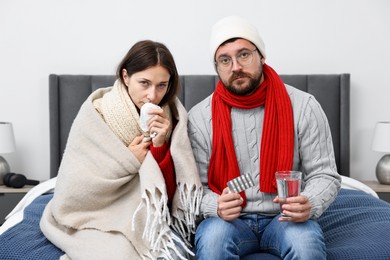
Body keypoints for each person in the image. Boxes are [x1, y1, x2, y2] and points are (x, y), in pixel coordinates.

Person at [187, 16, 341, 259]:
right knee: (213, 240)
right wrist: (213, 205)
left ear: (262, 56)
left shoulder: (304, 106)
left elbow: (324, 173)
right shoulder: (198, 118)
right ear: (217, 68)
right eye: (224, 60)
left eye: (244, 54)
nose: (235, 66)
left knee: (305, 245)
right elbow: (193, 189)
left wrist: (309, 201)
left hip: (285, 217)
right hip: (228, 221)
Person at [40, 40, 203, 260]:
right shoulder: (97, 113)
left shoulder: (174, 119)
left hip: (151, 218)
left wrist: (160, 146)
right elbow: (73, 190)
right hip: (99, 213)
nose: (152, 95)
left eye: (161, 85)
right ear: (126, 77)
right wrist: (127, 161)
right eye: (144, 83)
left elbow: (170, 198)